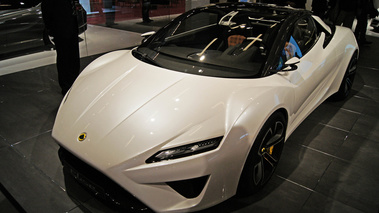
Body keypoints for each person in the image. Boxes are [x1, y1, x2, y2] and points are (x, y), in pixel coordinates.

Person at [41, 0, 80, 95]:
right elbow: (46, 8)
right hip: (60, 29)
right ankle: (66, 86)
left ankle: (74, 81)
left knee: (74, 57)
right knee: (63, 58)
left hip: (72, 27)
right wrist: (51, 29)